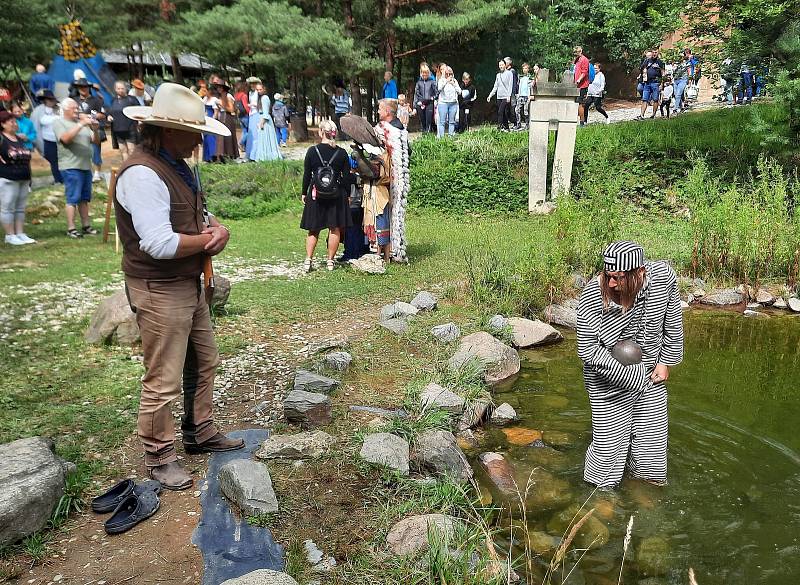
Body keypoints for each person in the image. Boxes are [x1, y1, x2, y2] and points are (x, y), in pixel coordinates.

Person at [114, 82, 243, 490]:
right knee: (163, 377)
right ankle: (159, 454)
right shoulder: (142, 174)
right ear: (169, 130)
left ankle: (198, 430)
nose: (200, 140)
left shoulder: (175, 165)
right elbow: (158, 242)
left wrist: (214, 229)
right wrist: (207, 241)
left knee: (204, 360)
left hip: (185, 281)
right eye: (195, 132)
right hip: (158, 286)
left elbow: (193, 216)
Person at [576, 241, 683, 488]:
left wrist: (666, 361)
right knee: (608, 447)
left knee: (652, 444)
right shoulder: (594, 295)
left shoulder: (663, 279)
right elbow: (587, 349)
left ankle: (645, 490)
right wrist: (631, 375)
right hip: (607, 380)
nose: (611, 283)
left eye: (619, 278)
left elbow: (673, 323)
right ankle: (599, 497)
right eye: (608, 276)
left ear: (640, 273)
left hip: (651, 375)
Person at [300, 119, 352, 272]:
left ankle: (308, 260)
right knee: (334, 228)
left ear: (321, 132)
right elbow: (347, 177)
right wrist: (347, 194)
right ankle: (330, 261)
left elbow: (306, 175)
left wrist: (304, 192)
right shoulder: (342, 153)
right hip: (336, 195)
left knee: (313, 230)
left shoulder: (311, 151)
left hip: (316, 195)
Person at [52, 97, 100, 238]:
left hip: (85, 166)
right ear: (65, 109)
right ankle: (71, 228)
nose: (77, 110)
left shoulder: (81, 124)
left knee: (85, 198)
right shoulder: (59, 122)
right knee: (73, 197)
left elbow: (95, 141)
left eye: (77, 108)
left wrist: (95, 130)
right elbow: (65, 139)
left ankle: (86, 226)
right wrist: (80, 124)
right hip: (71, 166)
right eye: (74, 108)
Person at [375, 99, 410, 263]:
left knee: (386, 209)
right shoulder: (402, 128)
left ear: (388, 111)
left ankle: (385, 248)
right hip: (402, 176)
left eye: (380, 109)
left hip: (389, 176)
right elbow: (409, 151)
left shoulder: (383, 128)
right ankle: (397, 248)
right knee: (398, 212)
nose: (378, 112)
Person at [0, 110, 35, 245]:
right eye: (12, 122)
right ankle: (10, 235)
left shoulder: (20, 139)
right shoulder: (2, 138)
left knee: (20, 207)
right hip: (8, 178)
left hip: (24, 177)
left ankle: (20, 233)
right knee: (8, 207)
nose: (15, 124)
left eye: (15, 121)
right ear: (3, 124)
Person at [73, 78, 106, 182]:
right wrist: (79, 116)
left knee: (95, 149)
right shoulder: (74, 100)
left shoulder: (96, 100)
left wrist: (90, 116)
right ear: (78, 88)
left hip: (93, 128)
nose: (83, 89)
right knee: (79, 150)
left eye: (85, 87)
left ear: (89, 88)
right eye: (81, 87)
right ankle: (84, 172)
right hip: (79, 129)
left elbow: (103, 114)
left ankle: (97, 173)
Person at [30, 90, 62, 183]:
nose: (51, 101)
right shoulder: (38, 112)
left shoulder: (58, 110)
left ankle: (61, 179)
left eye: (52, 99)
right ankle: (58, 180)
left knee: (60, 161)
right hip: (47, 142)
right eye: (49, 99)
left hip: (59, 140)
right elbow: (35, 128)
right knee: (54, 161)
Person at [107, 81, 140, 161]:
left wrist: (140, 122)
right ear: (115, 89)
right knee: (123, 151)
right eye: (118, 88)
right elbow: (110, 112)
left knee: (131, 150)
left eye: (122, 88)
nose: (120, 90)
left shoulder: (132, 99)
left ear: (126, 89)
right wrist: (109, 116)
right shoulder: (113, 100)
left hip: (130, 129)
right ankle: (126, 169)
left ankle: (133, 169)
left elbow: (139, 111)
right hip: (118, 130)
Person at [252, 84, 282, 162]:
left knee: (266, 138)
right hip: (262, 118)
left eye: (260, 89)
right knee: (263, 139)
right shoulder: (261, 98)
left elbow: (266, 113)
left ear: (264, 89)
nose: (259, 91)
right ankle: (265, 155)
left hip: (265, 121)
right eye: (257, 90)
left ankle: (267, 156)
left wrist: (261, 123)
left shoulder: (264, 98)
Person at [210, 78, 239, 160]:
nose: (218, 89)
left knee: (227, 136)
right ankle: (221, 155)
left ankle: (230, 155)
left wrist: (221, 104)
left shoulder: (228, 96)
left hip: (228, 117)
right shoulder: (220, 97)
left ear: (223, 88)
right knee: (221, 136)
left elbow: (231, 109)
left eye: (220, 87)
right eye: (217, 87)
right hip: (222, 116)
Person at [487, 60, 514, 131]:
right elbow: (495, 86)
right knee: (503, 113)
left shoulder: (509, 73)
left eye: (502, 65)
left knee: (500, 112)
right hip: (499, 96)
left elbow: (510, 85)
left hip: (506, 96)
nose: (501, 66)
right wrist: (490, 95)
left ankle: (499, 127)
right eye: (500, 65)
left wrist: (509, 96)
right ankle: (507, 127)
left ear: (505, 65)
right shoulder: (498, 75)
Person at [637, 50, 664, 120]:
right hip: (647, 83)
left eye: (656, 52)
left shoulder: (660, 62)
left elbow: (663, 73)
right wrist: (644, 72)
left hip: (656, 83)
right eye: (653, 52)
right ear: (651, 53)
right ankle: (641, 115)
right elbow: (641, 68)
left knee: (655, 100)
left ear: (658, 53)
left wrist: (662, 84)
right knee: (644, 99)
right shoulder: (647, 61)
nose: (654, 54)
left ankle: (653, 115)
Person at [436, 66, 460, 138]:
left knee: (452, 122)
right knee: (442, 122)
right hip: (443, 103)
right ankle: (442, 139)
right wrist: (446, 81)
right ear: (444, 73)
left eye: (450, 74)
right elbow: (439, 89)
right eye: (447, 73)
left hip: (453, 103)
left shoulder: (455, 81)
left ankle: (450, 138)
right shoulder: (441, 80)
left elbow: (459, 92)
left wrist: (454, 84)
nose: (449, 75)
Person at [672, 48, 698, 113]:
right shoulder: (676, 64)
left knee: (678, 94)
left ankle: (675, 109)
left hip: (683, 79)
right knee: (676, 95)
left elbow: (692, 68)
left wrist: (690, 80)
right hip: (675, 80)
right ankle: (681, 107)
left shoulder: (688, 62)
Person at [414, 65, 437, 133]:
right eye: (423, 72)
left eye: (426, 72)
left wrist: (432, 98)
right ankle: (424, 137)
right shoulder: (418, 83)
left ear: (428, 73)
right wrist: (415, 106)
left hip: (429, 103)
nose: (424, 74)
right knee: (422, 122)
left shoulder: (432, 82)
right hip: (421, 104)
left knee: (428, 121)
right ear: (421, 73)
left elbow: (437, 93)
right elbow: (416, 94)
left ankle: (428, 135)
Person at [244, 77, 262, 160]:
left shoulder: (257, 93)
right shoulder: (250, 93)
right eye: (251, 83)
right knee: (251, 134)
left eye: (253, 83)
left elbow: (257, 104)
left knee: (255, 134)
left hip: (256, 112)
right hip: (251, 113)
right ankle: (251, 153)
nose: (252, 85)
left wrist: (250, 105)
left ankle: (256, 154)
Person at [573, 46, 591, 126]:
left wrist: (579, 80)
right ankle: (576, 120)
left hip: (582, 85)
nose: (576, 54)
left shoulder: (584, 60)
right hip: (576, 86)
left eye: (577, 53)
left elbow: (584, 72)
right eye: (575, 53)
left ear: (580, 52)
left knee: (580, 103)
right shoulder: (577, 60)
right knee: (576, 103)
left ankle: (582, 123)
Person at [514, 63, 534, 130]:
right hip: (521, 96)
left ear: (528, 69)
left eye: (526, 68)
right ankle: (518, 123)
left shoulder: (530, 77)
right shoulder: (521, 77)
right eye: (523, 68)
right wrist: (518, 94)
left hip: (526, 96)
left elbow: (531, 87)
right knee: (517, 110)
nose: (524, 70)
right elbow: (519, 86)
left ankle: (527, 124)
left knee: (526, 111)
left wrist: (530, 96)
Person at [233, 81, 250, 153]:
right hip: (245, 115)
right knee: (249, 131)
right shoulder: (244, 95)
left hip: (239, 115)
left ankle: (245, 147)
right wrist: (249, 113)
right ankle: (241, 143)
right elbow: (245, 106)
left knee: (244, 131)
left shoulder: (236, 95)